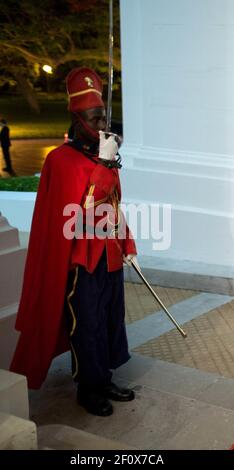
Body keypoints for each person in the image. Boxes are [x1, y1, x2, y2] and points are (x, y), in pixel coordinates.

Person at [10, 67, 139, 417]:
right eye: (92, 118)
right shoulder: (61, 160)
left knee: (111, 318)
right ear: (76, 118)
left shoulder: (102, 155)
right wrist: (106, 163)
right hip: (79, 258)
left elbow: (112, 207)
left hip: (108, 254)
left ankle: (106, 376)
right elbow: (81, 211)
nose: (100, 125)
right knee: (87, 322)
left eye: (102, 118)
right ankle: (89, 387)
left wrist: (127, 246)